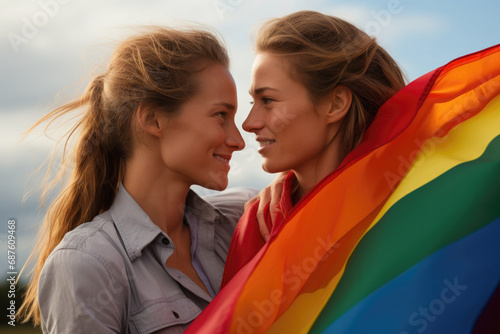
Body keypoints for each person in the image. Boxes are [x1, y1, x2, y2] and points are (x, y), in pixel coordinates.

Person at [18, 26, 258, 333]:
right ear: (153, 119)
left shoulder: (244, 217)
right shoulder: (87, 264)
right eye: (220, 115)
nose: (238, 140)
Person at [222, 10, 406, 284]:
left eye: (268, 100)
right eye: (253, 102)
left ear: (335, 104)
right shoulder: (259, 223)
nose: (249, 124)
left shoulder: (407, 204)